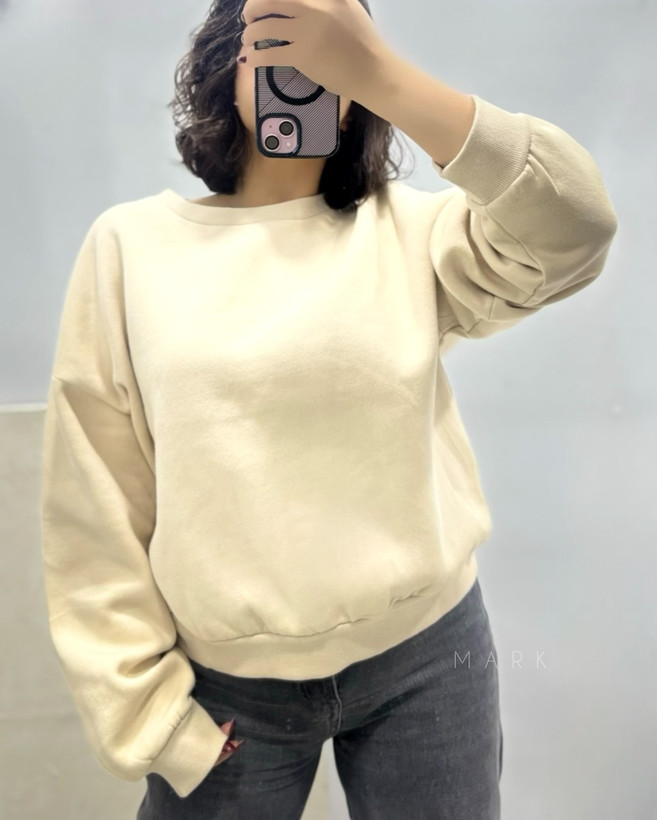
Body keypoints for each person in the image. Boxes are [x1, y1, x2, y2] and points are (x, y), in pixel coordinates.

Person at [40, 0, 618, 817]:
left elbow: (574, 224)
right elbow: (94, 498)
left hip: (428, 657)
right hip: (228, 686)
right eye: (277, 41)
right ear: (225, 67)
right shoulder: (130, 247)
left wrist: (384, 75)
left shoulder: (408, 231)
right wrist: (149, 716)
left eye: (330, 52)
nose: (304, 66)